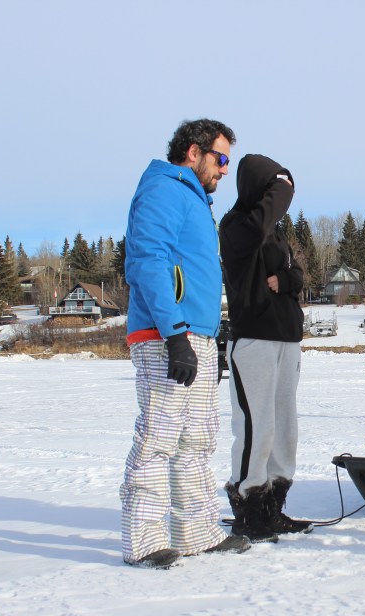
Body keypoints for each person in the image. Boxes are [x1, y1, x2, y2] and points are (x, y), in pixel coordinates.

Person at [120, 118, 251, 569]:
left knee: (196, 439)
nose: (225, 169)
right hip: (165, 334)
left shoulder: (194, 199)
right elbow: (147, 260)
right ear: (193, 152)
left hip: (197, 334)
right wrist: (175, 334)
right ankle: (143, 540)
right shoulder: (164, 189)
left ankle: (196, 533)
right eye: (221, 158)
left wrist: (209, 333)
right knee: (159, 436)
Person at [219, 154, 312, 542]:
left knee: (284, 428)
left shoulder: (275, 234)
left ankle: (273, 506)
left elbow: (298, 275)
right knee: (256, 426)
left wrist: (285, 280)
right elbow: (258, 224)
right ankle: (249, 508)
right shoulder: (236, 226)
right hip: (253, 339)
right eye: (275, 186)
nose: (284, 193)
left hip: (287, 338)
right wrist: (283, 185)